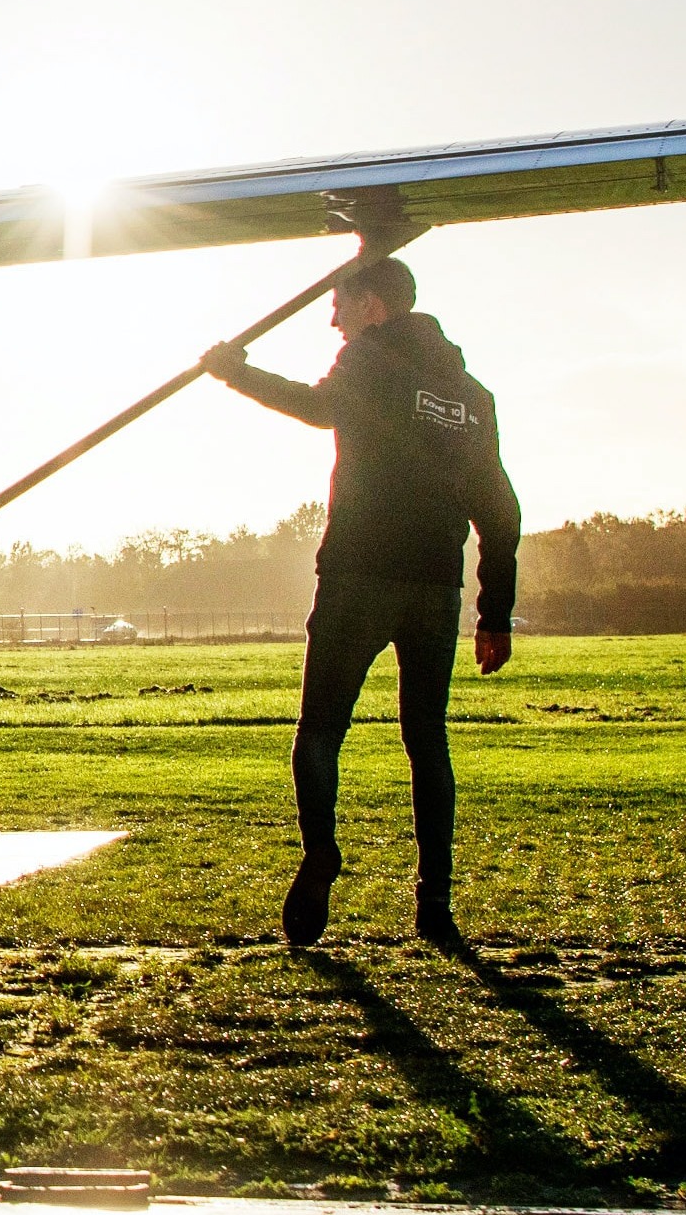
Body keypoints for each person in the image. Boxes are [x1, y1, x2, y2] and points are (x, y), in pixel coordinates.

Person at [203, 255, 518, 951]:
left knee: (320, 731)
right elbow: (501, 509)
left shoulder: (367, 361)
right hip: (437, 585)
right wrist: (495, 611)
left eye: (340, 303)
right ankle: (434, 902)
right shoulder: (472, 396)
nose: (333, 318)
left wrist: (234, 371)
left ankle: (321, 855)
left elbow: (314, 407)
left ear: (374, 305)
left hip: (358, 574)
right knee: (426, 739)